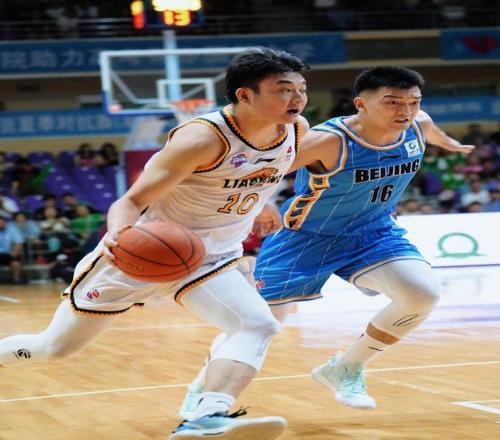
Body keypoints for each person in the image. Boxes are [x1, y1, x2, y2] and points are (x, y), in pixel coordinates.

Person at [0, 47, 309, 440]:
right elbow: (130, 201)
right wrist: (118, 234)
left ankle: (206, 416)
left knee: (258, 324)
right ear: (245, 95)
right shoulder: (201, 138)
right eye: (283, 89)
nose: (297, 98)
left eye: (301, 88)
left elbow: (261, 170)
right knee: (55, 348)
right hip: (144, 253)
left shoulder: (296, 130)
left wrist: (263, 203)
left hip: (210, 259)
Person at [178, 66, 474, 418]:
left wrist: (450, 143)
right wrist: (263, 202)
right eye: (393, 102)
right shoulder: (327, 140)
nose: (405, 111)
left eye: (413, 102)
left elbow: (430, 128)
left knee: (422, 294)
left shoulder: (418, 125)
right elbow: (264, 168)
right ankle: (202, 389)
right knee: (257, 323)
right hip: (304, 239)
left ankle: (346, 368)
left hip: (373, 233)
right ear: (361, 104)